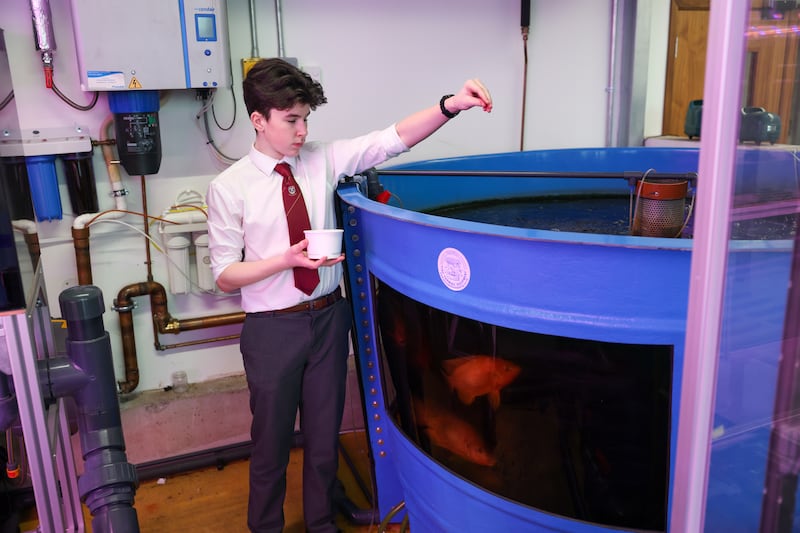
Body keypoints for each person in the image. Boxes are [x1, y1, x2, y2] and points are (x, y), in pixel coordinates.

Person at [206, 58, 492, 533]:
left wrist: (451, 106)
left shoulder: (322, 159)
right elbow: (224, 275)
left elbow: (389, 139)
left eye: (305, 119)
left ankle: (321, 524)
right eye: (291, 120)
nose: (301, 131)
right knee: (271, 445)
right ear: (259, 119)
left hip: (327, 320)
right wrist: (286, 260)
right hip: (272, 329)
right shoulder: (229, 188)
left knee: (324, 439)